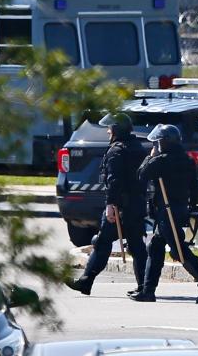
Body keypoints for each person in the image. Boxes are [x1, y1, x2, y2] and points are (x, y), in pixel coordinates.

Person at [133, 123, 198, 304]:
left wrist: (150, 157)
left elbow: (141, 174)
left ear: (165, 142)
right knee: (156, 247)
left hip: (167, 211)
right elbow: (194, 185)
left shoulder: (161, 161)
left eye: (158, 142)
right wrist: (190, 206)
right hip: (178, 209)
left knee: (179, 251)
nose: (156, 145)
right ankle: (148, 290)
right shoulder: (186, 159)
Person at [67, 112, 149, 297]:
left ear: (116, 130)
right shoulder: (138, 148)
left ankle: (86, 281)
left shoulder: (117, 151)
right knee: (137, 246)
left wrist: (111, 204)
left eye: (110, 128)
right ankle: (145, 286)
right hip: (136, 205)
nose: (108, 132)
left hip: (120, 207)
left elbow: (114, 181)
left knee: (103, 243)